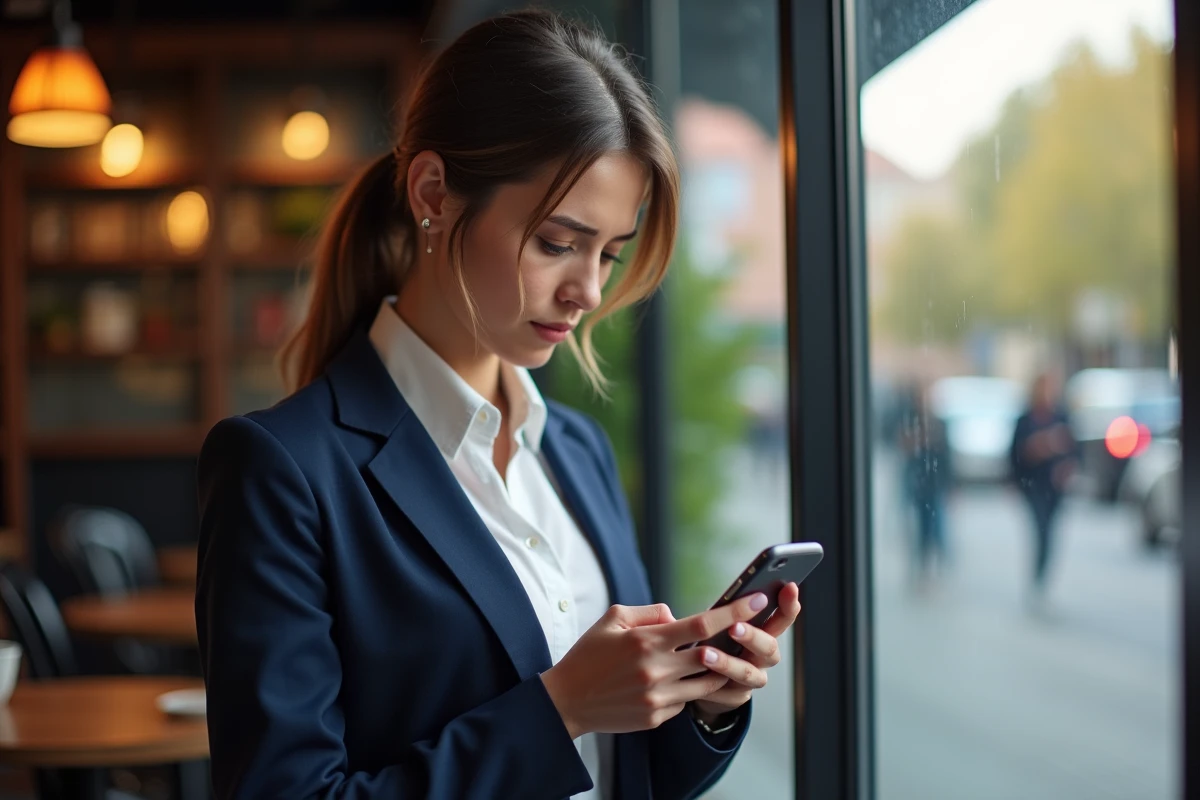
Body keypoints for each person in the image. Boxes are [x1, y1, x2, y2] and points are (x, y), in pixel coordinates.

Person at [194, 10, 801, 800]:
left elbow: (627, 773)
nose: (588, 290)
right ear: (434, 194)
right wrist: (561, 708)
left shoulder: (576, 452)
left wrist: (705, 703)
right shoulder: (282, 470)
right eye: (558, 241)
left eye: (610, 253)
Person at [1009, 371, 1079, 603]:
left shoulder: (1061, 416)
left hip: (1055, 487)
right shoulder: (1026, 418)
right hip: (1033, 485)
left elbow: (1074, 450)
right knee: (1040, 531)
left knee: (1050, 534)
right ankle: (1037, 580)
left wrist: (1066, 467)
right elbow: (1015, 454)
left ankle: (1042, 580)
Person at [896, 382, 952, 587]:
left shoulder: (938, 423)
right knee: (921, 527)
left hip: (934, 484)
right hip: (917, 484)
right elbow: (903, 446)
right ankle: (923, 566)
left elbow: (946, 456)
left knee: (936, 526)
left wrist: (950, 485)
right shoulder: (911, 420)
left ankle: (937, 563)